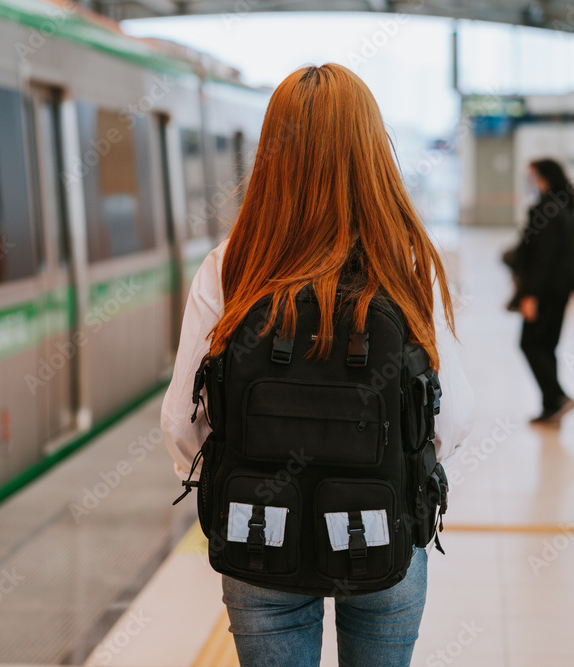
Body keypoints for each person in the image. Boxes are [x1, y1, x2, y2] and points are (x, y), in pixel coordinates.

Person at [160, 64, 475, 667]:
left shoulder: (230, 265)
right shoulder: (405, 263)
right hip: (383, 528)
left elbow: (183, 421)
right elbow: (456, 417)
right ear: (371, 151)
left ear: (271, 151)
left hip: (259, 526)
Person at [514, 159, 574, 424]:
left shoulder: (547, 209)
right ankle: (550, 406)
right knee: (546, 345)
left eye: (533, 175)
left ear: (544, 177)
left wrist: (530, 295)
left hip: (546, 291)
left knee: (529, 343)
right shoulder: (563, 206)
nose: (530, 181)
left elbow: (543, 258)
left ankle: (558, 396)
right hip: (559, 289)